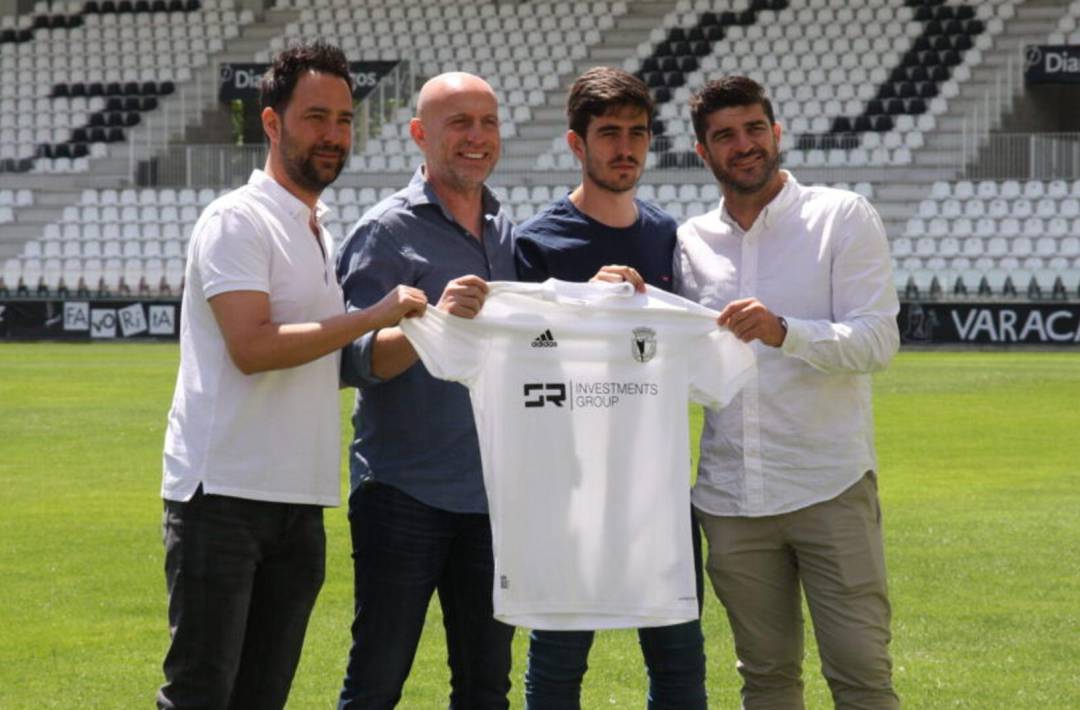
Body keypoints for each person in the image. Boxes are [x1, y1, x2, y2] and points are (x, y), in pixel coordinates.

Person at [157, 42, 426, 710]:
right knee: (199, 695)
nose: (334, 134)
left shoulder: (318, 230)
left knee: (263, 697)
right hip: (221, 496)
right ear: (271, 123)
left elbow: (332, 364)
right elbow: (251, 347)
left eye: (343, 118)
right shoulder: (236, 220)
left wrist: (429, 331)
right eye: (315, 117)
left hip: (299, 500)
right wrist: (374, 314)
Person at [676, 75, 901, 709]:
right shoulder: (690, 242)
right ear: (704, 152)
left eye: (753, 129)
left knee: (861, 678)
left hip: (827, 485)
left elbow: (878, 340)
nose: (742, 145)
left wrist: (784, 332)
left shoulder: (841, 216)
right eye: (724, 136)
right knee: (766, 679)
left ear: (776, 133)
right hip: (731, 499)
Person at [515, 67, 708, 710]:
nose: (625, 148)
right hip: (568, 492)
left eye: (637, 133)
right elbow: (525, 370)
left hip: (657, 485)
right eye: (608, 134)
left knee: (681, 667)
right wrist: (584, 308)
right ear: (577, 144)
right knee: (558, 669)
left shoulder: (668, 237)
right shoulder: (536, 244)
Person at [335, 72, 517, 709]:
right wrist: (433, 322)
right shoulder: (385, 231)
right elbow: (351, 364)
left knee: (487, 687)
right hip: (402, 494)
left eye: (487, 122)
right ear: (419, 134)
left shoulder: (504, 230)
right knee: (377, 683)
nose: (476, 137)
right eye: (458, 123)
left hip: (491, 495)